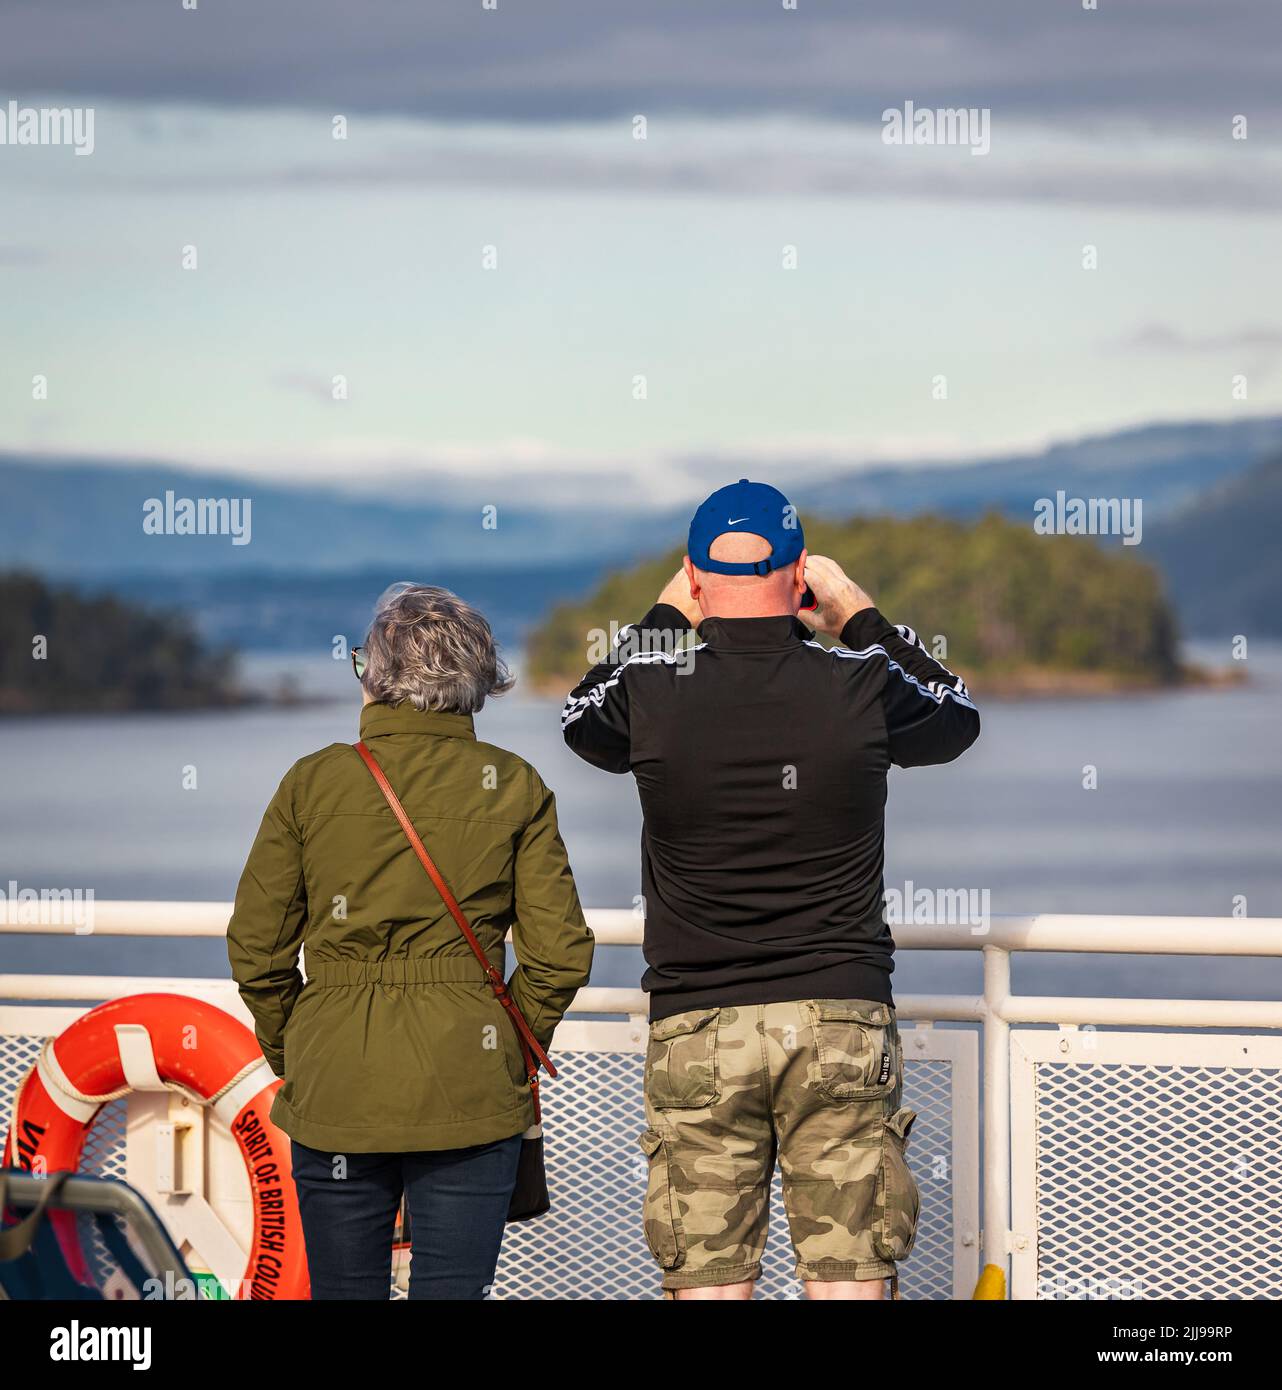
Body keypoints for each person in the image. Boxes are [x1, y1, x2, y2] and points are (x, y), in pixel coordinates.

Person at [561, 479, 980, 1300]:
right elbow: (955, 716)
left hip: (698, 1023)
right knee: (851, 1278)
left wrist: (664, 617)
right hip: (839, 1019)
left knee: (710, 1284)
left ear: (693, 575)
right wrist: (860, 614)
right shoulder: (861, 682)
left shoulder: (652, 689)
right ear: (799, 580)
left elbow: (581, 719)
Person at [228, 582, 594, 1299]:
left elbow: (257, 951)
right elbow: (559, 954)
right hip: (469, 1081)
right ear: (477, 682)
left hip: (335, 1082)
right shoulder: (513, 786)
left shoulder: (310, 783)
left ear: (372, 674)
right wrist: (506, 1039)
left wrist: (297, 1045)